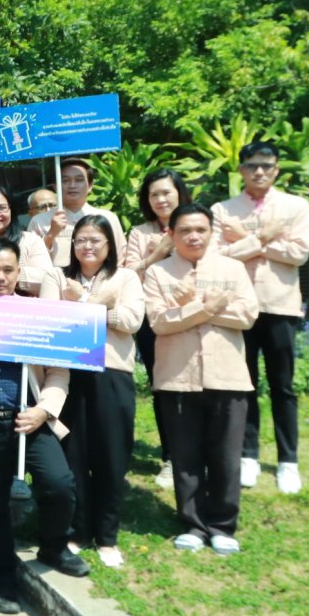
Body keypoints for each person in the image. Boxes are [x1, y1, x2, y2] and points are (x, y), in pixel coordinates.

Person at [0, 237, 86, 612]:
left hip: (32, 419)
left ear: (19, 272)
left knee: (59, 484)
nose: (0, 277)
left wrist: (43, 411)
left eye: (7, 270)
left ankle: (54, 546)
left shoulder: (37, 314)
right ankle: (2, 577)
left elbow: (58, 372)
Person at [145, 204, 260, 554]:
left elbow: (247, 315)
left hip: (228, 376)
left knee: (226, 455)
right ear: (171, 235)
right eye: (185, 230)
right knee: (186, 455)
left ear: (212, 232)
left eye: (200, 230)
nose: (193, 236)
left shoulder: (232, 268)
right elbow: (159, 322)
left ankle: (223, 525)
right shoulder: (159, 273)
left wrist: (189, 307)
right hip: (178, 377)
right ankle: (194, 524)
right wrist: (207, 306)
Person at [213, 141, 309, 495]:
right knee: (245, 384)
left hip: (279, 305)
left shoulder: (295, 207)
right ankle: (248, 455)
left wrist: (244, 239)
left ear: (277, 170)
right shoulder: (223, 210)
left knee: (282, 386)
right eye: (252, 165)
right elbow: (218, 256)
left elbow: (298, 253)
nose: (259, 172)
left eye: (266, 166)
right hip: (237, 308)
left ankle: (288, 461)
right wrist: (264, 238)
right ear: (240, 169)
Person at [58, 216, 144, 569]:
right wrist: (100, 306)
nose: (87, 246)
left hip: (112, 373)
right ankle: (78, 530)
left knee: (111, 456)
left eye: (95, 240)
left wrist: (84, 304)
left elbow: (131, 320)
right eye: (80, 240)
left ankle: (107, 536)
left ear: (110, 245)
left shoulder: (125, 277)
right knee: (73, 454)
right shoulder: (61, 278)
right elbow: (53, 318)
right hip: (69, 373)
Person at [125, 169, 191, 485]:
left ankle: (200, 454)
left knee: (198, 388)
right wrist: (159, 253)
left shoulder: (195, 224)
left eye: (166, 192)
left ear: (179, 193)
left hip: (195, 315)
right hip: (154, 319)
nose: (161, 199)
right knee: (163, 387)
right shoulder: (140, 233)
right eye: (154, 194)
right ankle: (171, 457)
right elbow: (129, 275)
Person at [30, 158, 127, 268]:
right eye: (65, 180)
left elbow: (120, 259)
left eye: (79, 180)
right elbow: (30, 260)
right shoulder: (39, 221)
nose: (72, 185)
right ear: (55, 186)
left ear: (90, 186)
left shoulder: (108, 218)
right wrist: (51, 235)